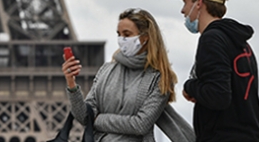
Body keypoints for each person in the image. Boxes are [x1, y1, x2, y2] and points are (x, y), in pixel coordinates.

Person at [62, 8, 193, 142]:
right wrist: (71, 84)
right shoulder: (106, 70)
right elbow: (85, 117)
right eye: (119, 34)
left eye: (127, 34)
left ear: (144, 38)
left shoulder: (158, 78)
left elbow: (140, 125)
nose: (121, 39)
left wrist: (99, 119)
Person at [170, 0, 259, 141]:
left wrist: (190, 87)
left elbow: (218, 96)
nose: (183, 10)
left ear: (199, 3)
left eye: (185, 2)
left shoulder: (211, 39)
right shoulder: (240, 42)